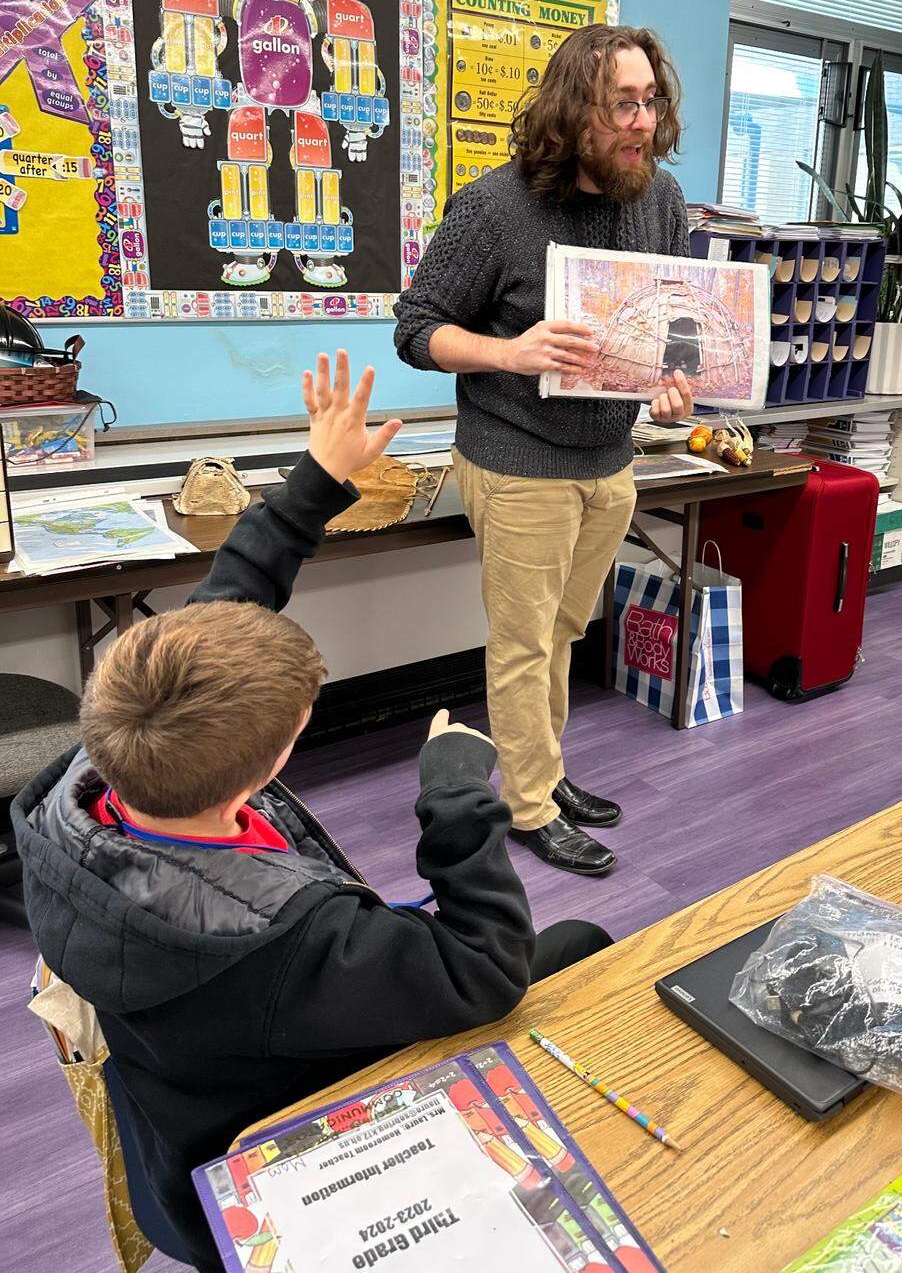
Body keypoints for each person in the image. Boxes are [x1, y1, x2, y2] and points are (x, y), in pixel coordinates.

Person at [14, 351, 610, 1273]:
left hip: (181, 1102)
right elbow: (482, 968)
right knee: (578, 948)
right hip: (279, 1143)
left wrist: (318, 478)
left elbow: (220, 608)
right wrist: (455, 797)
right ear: (274, 761)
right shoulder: (293, 939)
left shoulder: (86, 777)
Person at [394, 23, 693, 877]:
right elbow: (416, 329)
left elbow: (677, 315)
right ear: (574, 112)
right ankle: (527, 805)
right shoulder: (495, 208)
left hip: (610, 459)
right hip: (516, 455)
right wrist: (508, 352)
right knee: (523, 641)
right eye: (622, 104)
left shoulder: (659, 199)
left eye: (651, 100)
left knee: (565, 629)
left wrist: (677, 384)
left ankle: (545, 772)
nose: (643, 121)